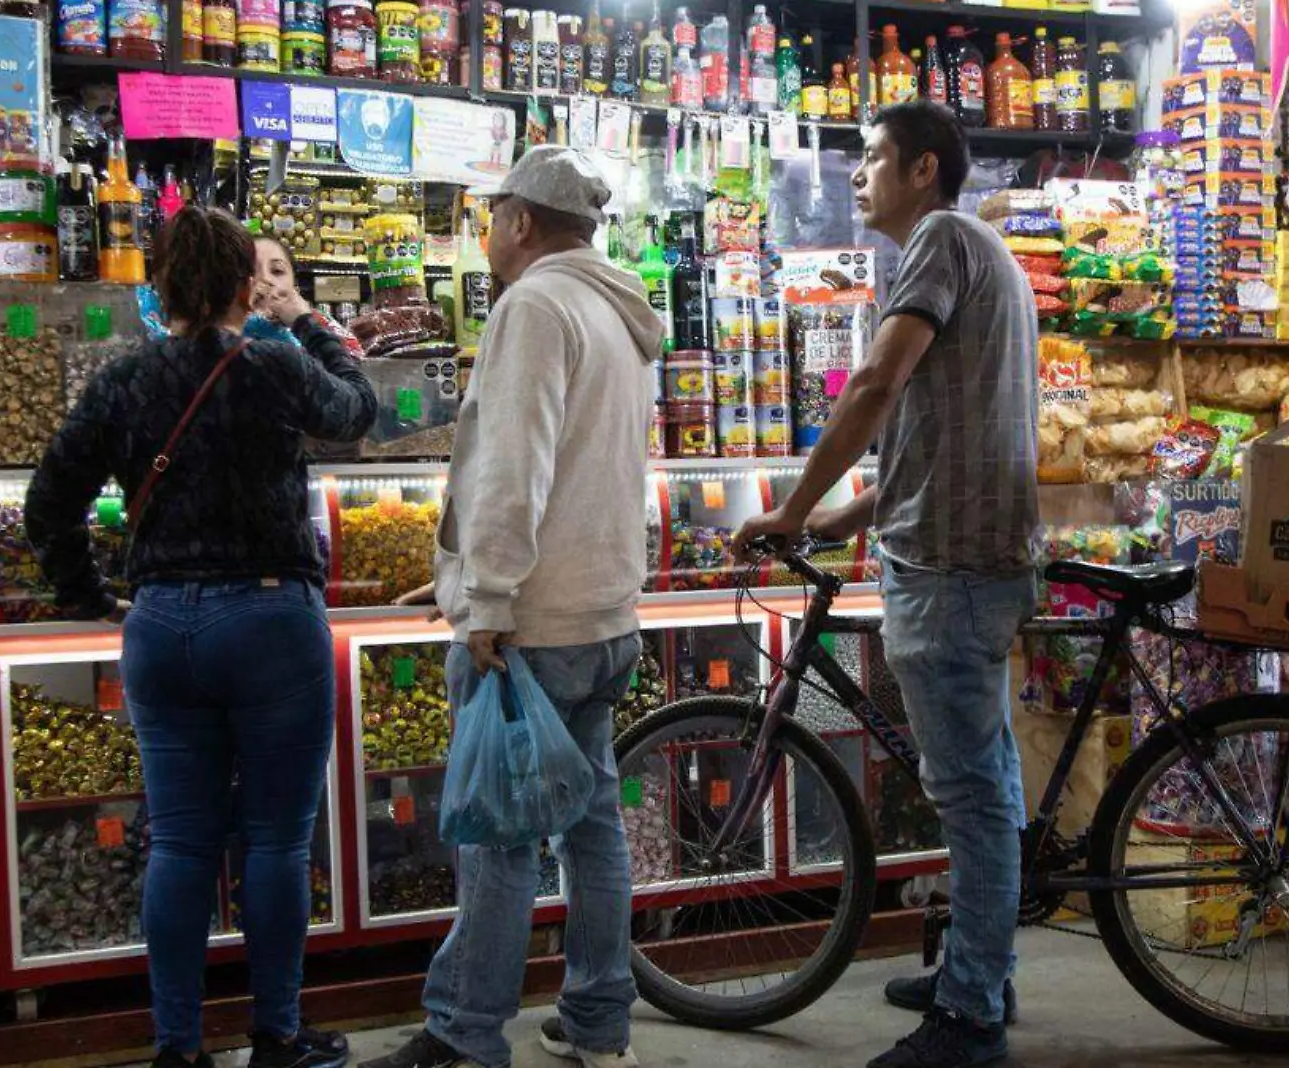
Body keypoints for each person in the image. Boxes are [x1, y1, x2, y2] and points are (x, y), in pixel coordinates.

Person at [25, 205, 379, 1068]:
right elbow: (360, 410)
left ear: (158, 287)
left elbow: (49, 501)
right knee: (276, 840)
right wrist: (303, 318)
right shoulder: (272, 367)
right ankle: (278, 1036)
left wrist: (89, 595)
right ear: (238, 287)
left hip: (160, 627)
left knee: (180, 842)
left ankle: (177, 1048)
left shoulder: (121, 381)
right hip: (268, 621)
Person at [732, 100, 1040, 1068]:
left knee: (971, 794)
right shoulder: (973, 250)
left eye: (872, 159)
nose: (857, 175)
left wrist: (790, 505)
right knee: (982, 782)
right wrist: (844, 516)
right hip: (963, 552)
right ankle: (979, 967)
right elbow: (940, 427)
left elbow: (876, 384)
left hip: (951, 568)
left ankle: (969, 1017)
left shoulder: (942, 238)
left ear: (923, 171)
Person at [362, 146, 664, 1068]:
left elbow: (514, 469)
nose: (487, 233)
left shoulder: (535, 303)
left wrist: (486, 596)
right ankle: (599, 1023)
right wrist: (461, 574)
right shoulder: (619, 313)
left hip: (535, 626)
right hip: (605, 614)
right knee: (592, 828)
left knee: (499, 839)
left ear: (522, 222)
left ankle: (464, 1034)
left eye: (492, 216)